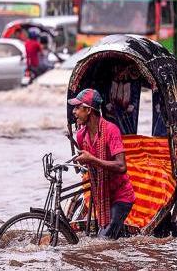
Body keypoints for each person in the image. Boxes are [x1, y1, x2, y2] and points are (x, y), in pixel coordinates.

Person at [70, 88, 135, 240]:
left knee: (103, 242)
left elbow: (121, 166)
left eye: (77, 108)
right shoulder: (80, 135)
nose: (74, 112)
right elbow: (87, 164)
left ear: (88, 110)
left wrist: (93, 159)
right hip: (101, 194)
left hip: (121, 195)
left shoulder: (111, 131)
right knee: (110, 238)